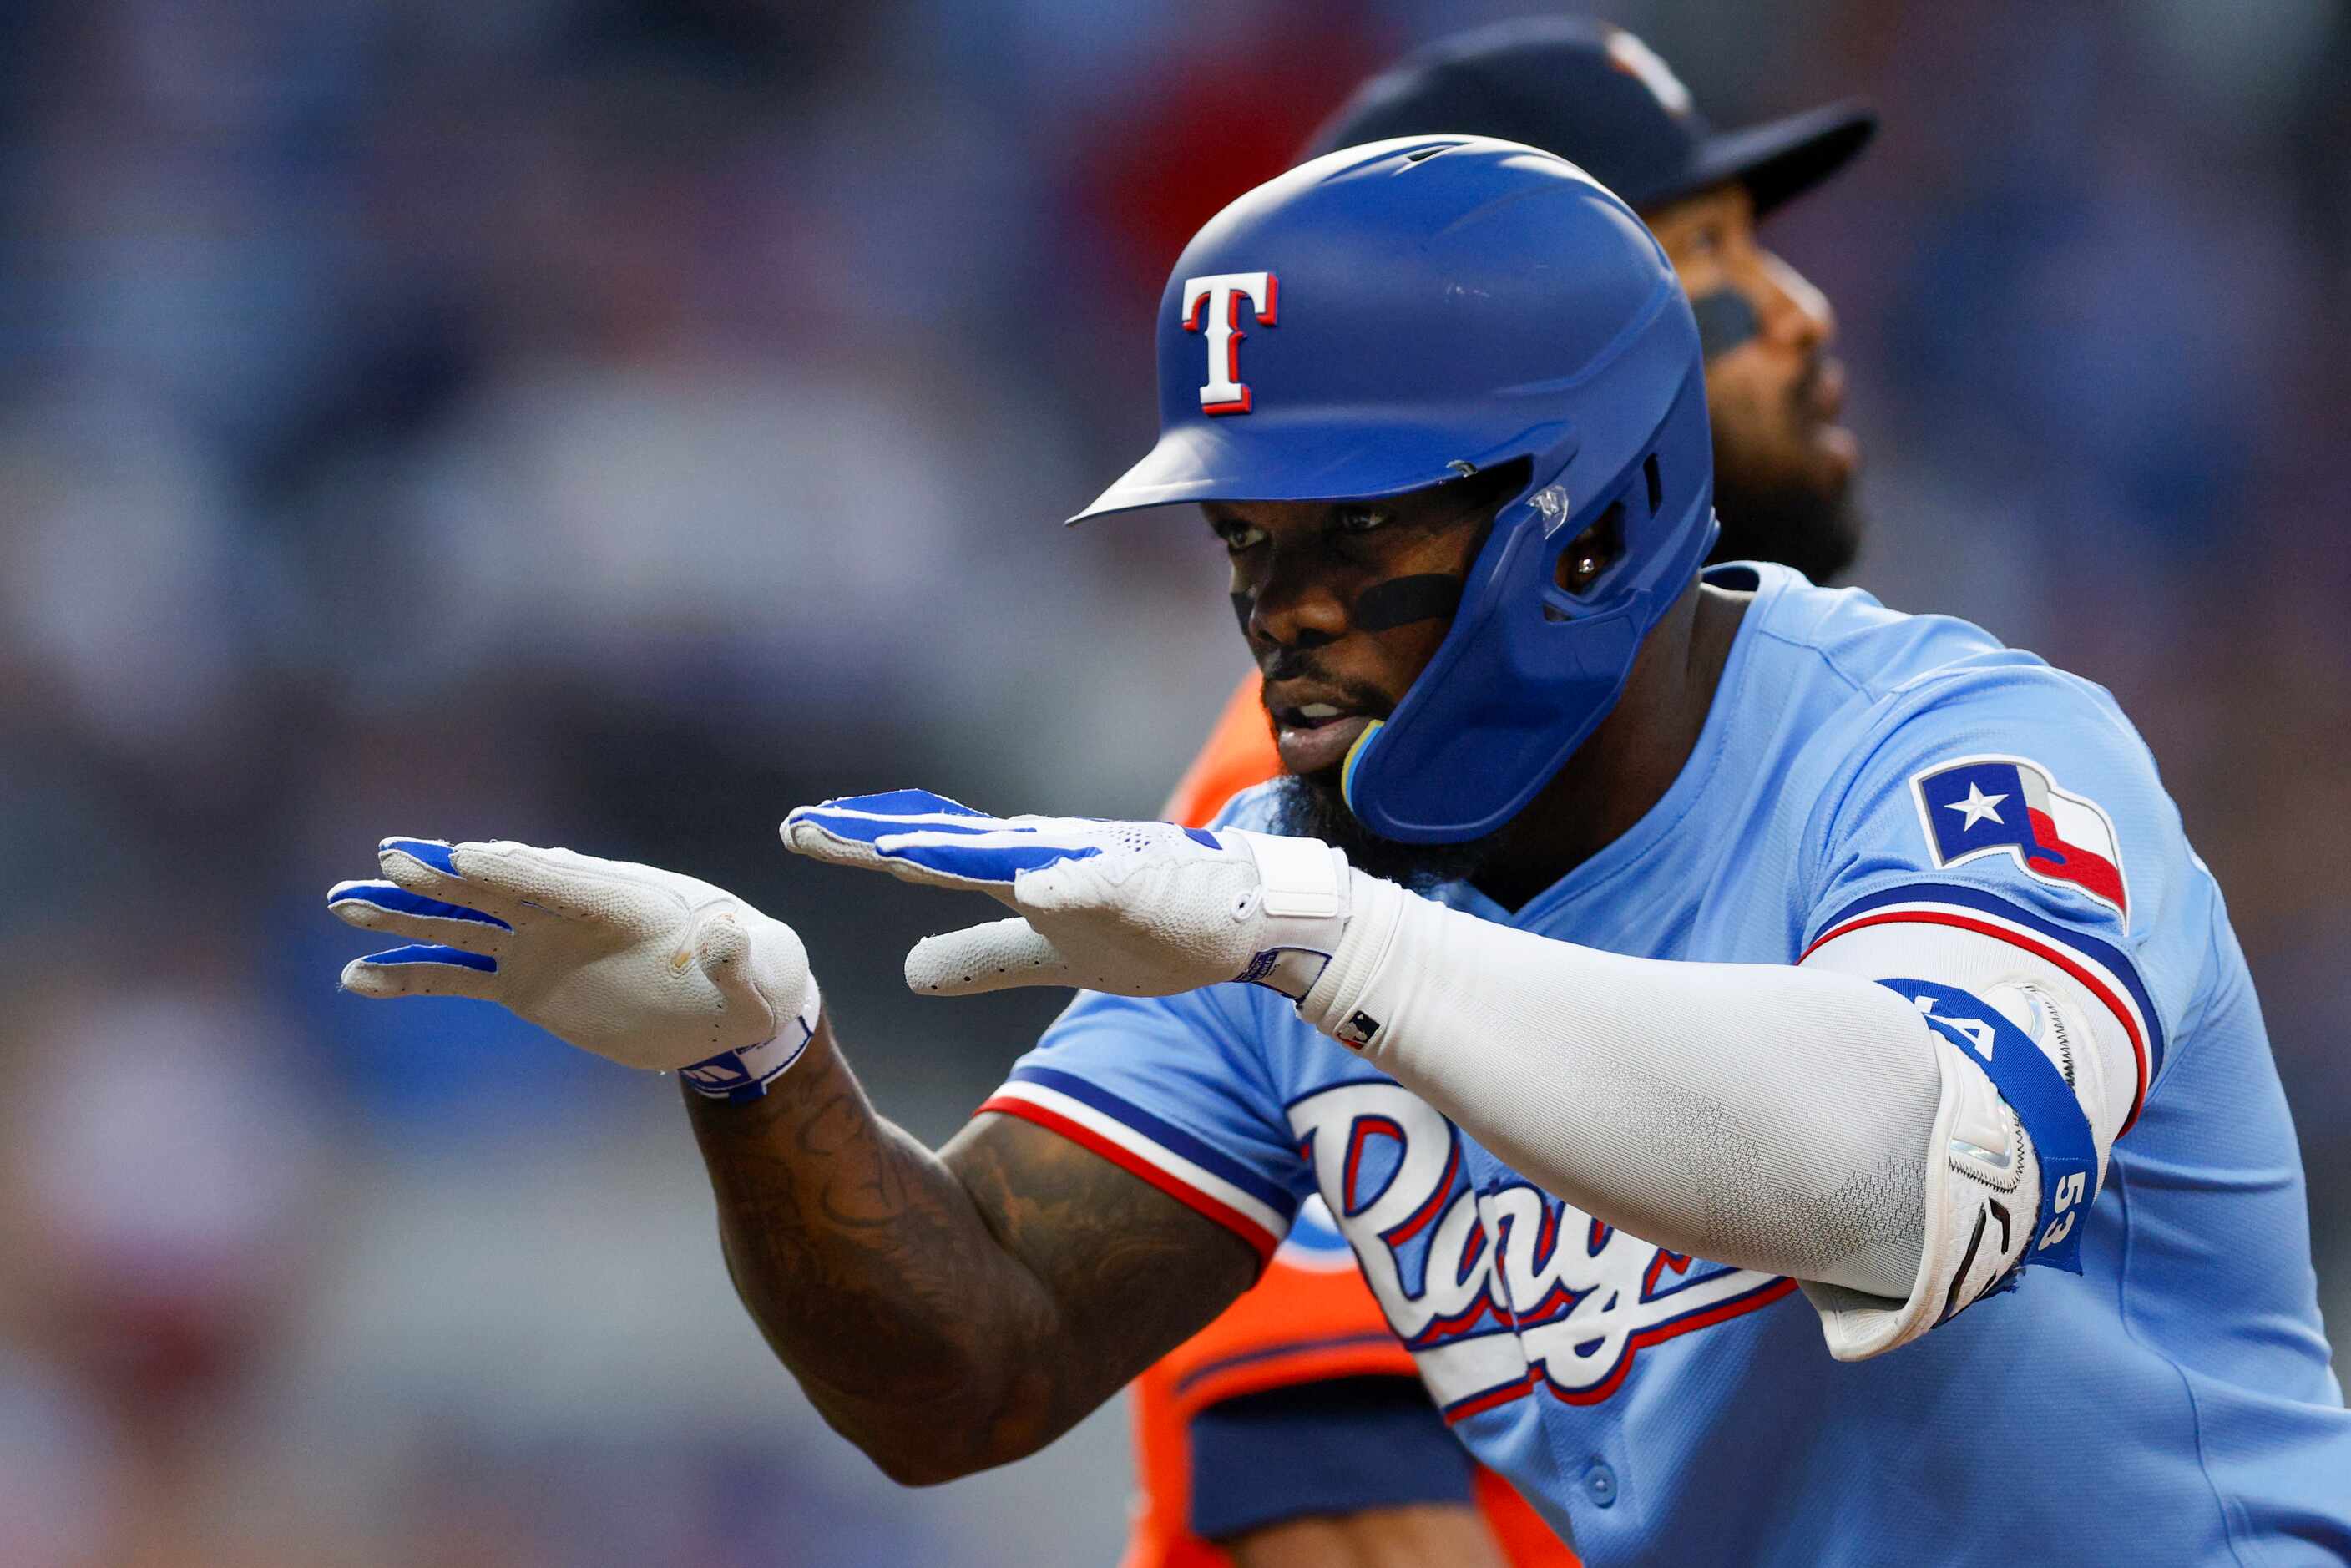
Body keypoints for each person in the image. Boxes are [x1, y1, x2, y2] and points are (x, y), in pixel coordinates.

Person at [329, 136, 2350, 1565]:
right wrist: (760, 1068)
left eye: (1355, 531)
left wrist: (1324, 937)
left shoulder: (1952, 754)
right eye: (1241, 543)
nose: (1277, 607)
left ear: (1598, 507)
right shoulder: (1280, 878)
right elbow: (978, 1365)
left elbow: (1895, 1175)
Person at [1143, 23, 1873, 1560]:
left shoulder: (1737, 743)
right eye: (1708, 251)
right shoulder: (1337, 800)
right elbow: (1337, 1499)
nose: (1798, 312)